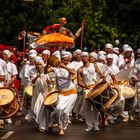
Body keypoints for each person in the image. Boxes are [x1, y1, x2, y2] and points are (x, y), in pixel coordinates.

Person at [46, 53, 77, 135]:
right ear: (61, 60)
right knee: (59, 108)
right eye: (64, 60)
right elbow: (46, 71)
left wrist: (64, 66)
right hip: (62, 93)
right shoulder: (55, 69)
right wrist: (47, 64)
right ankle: (52, 120)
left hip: (72, 93)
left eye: (67, 60)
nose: (66, 61)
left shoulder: (70, 67)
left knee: (66, 112)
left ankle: (62, 128)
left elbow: (73, 72)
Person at [77, 52, 100, 132]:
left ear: (88, 57)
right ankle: (89, 125)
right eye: (82, 56)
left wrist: (99, 83)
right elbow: (79, 82)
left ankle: (96, 124)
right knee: (87, 108)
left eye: (85, 56)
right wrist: (85, 87)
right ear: (81, 58)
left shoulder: (94, 65)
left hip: (95, 88)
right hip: (86, 90)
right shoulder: (79, 69)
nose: (84, 58)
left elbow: (101, 75)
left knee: (95, 108)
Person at [2, 50, 18, 124]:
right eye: (3, 55)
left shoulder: (12, 65)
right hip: (2, 84)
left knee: (8, 101)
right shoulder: (1, 63)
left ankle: (8, 116)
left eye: (5, 55)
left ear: (8, 56)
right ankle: (2, 116)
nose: (4, 56)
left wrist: (9, 83)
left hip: (9, 85)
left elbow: (14, 75)